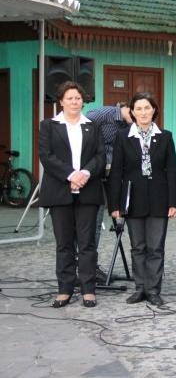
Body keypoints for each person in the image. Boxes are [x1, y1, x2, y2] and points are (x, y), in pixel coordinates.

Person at [108, 92, 176, 306]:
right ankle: (140, 288)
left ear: (154, 110)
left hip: (160, 199)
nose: (143, 112)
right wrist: (115, 205)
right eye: (138, 109)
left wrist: (173, 202)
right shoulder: (123, 136)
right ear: (132, 112)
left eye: (147, 108)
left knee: (155, 247)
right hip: (132, 199)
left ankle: (154, 289)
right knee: (138, 246)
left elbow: (172, 171)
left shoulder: (165, 136)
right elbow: (116, 173)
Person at [39, 81, 105, 308]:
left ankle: (88, 289)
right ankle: (65, 289)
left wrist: (85, 172)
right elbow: (46, 157)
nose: (75, 102)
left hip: (88, 190)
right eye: (70, 98)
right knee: (64, 243)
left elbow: (100, 156)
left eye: (78, 98)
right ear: (61, 101)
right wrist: (71, 175)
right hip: (60, 191)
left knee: (87, 243)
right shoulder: (48, 125)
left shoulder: (92, 125)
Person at [85, 102, 133, 280]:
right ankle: (87, 267)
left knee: (117, 217)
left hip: (112, 175)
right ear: (128, 108)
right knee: (94, 221)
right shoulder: (106, 113)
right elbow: (84, 123)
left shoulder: (129, 126)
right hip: (93, 172)